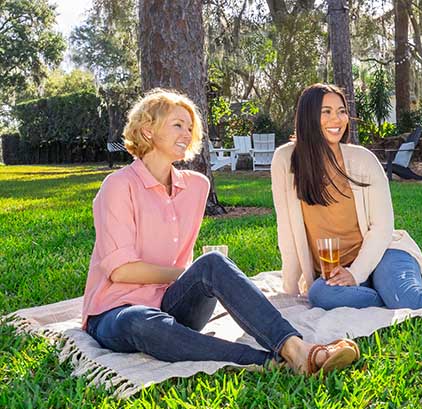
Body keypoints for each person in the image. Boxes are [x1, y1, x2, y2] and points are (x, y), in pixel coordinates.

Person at [82, 88, 359, 375]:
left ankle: (295, 348)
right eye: (178, 125)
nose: (187, 134)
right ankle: (267, 361)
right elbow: (121, 272)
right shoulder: (118, 186)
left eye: (190, 128)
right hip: (116, 313)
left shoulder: (195, 187)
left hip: (171, 304)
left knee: (213, 263)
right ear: (148, 131)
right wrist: (185, 274)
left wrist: (200, 275)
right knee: (140, 322)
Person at [271, 83, 422, 310]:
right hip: (335, 270)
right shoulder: (285, 160)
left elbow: (382, 227)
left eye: (342, 111)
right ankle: (386, 296)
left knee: (408, 299)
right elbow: (287, 232)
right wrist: (290, 290)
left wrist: (355, 273)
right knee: (319, 294)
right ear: (307, 117)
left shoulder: (363, 160)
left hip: (384, 254)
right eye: (326, 112)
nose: (337, 120)